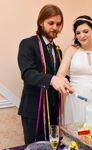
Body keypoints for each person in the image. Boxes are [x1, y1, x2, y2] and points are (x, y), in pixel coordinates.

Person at [17, 4, 73, 145]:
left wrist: (68, 82)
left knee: (53, 146)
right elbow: (28, 74)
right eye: (51, 23)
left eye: (58, 24)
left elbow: (58, 77)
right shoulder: (27, 44)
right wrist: (52, 79)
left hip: (53, 110)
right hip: (34, 111)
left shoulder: (57, 50)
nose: (55, 27)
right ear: (41, 22)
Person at [57, 15, 92, 124]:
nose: (82, 35)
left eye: (85, 31)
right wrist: (67, 86)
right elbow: (60, 75)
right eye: (78, 33)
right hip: (76, 98)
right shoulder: (71, 50)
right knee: (78, 133)